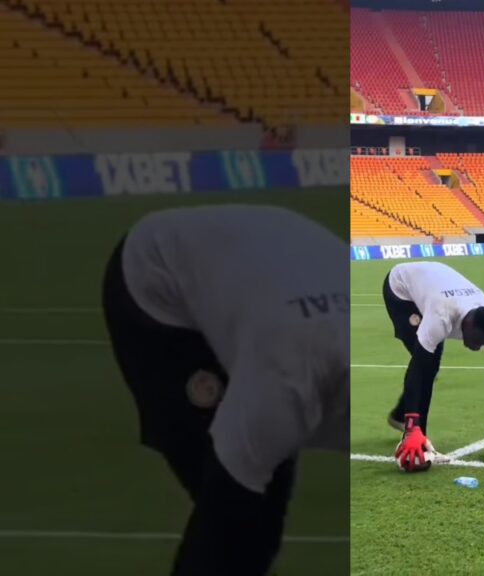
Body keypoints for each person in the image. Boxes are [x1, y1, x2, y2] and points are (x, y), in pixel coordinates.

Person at [101, 205, 349, 576]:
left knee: (256, 526)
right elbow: (226, 507)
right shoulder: (285, 387)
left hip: (271, 261)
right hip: (157, 282)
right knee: (240, 522)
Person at [383, 261, 484, 470]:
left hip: (434, 281)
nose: (478, 348)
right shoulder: (441, 316)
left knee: (430, 363)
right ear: (465, 325)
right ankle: (414, 435)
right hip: (400, 290)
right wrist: (413, 426)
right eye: (476, 341)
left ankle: (401, 417)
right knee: (426, 365)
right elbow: (417, 368)